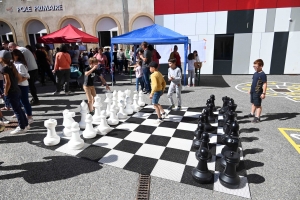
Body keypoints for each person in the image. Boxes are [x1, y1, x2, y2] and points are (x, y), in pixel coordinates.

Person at [0, 50, 29, 134]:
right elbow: (19, 78)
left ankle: (21, 127)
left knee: (17, 110)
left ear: (2, 58)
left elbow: (8, 82)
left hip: (11, 92)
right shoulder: (11, 65)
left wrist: (5, 92)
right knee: (19, 109)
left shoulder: (4, 68)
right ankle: (26, 125)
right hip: (17, 90)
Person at [11, 49, 33, 124]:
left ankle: (29, 117)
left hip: (23, 85)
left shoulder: (20, 65)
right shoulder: (13, 64)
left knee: (25, 101)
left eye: (12, 55)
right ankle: (23, 115)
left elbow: (27, 76)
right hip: (18, 85)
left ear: (16, 56)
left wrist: (17, 82)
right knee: (19, 101)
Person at [245, 59, 267, 123]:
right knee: (253, 103)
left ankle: (257, 117)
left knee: (258, 105)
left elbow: (265, 84)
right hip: (253, 91)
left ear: (261, 66)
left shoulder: (263, 74)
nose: (255, 68)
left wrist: (263, 93)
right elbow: (253, 82)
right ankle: (252, 113)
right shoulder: (255, 73)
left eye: (256, 66)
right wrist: (250, 89)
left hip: (258, 92)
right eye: (254, 66)